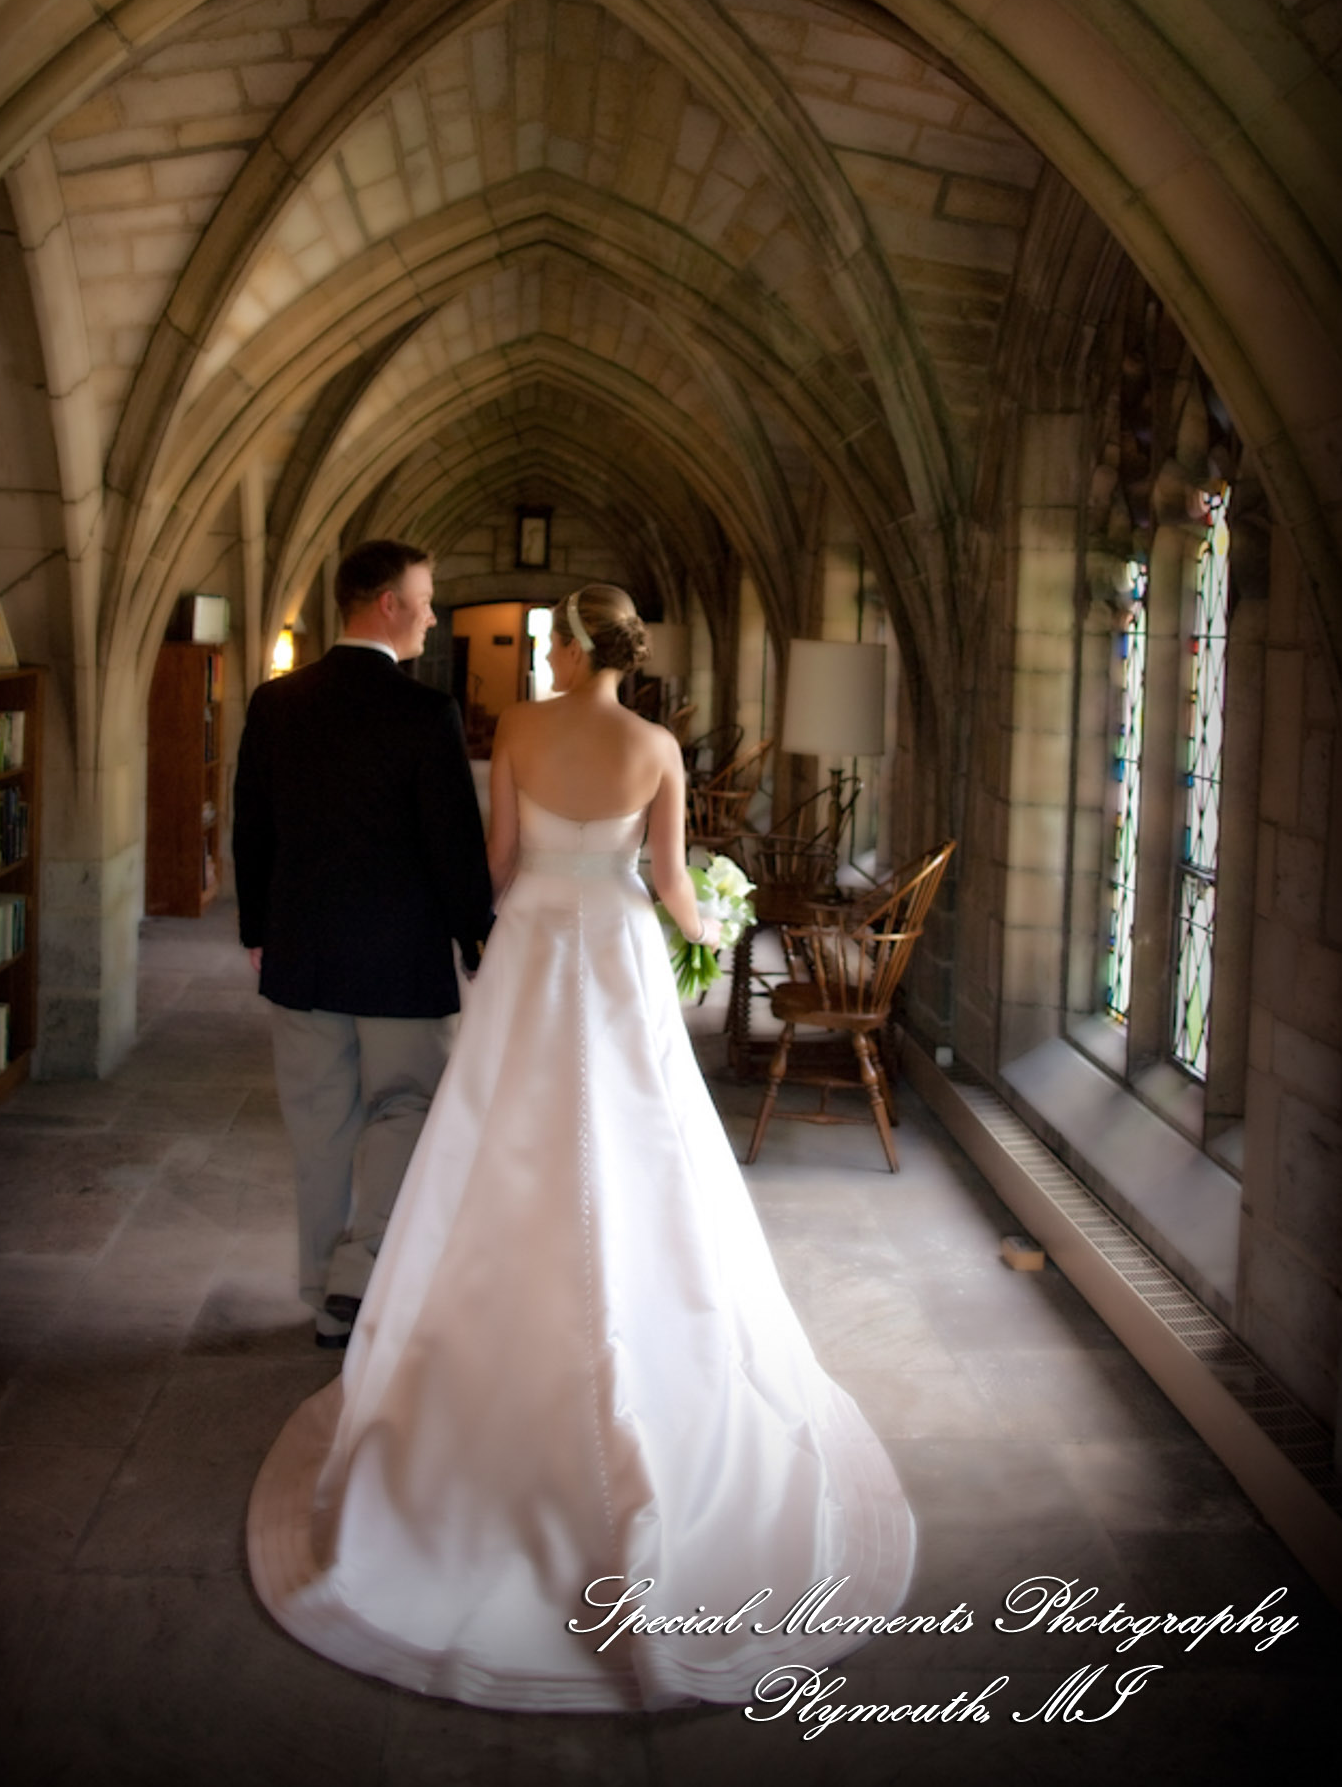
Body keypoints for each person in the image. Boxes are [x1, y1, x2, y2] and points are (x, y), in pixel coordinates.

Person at [246, 584, 915, 1708]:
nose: (547, 651)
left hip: (533, 956)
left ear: (565, 650)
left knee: (503, 1139)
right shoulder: (655, 745)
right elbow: (666, 884)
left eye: (551, 638)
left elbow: (500, 867)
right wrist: (718, 916)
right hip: (617, 954)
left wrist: (500, 909)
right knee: (643, 1145)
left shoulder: (516, 729)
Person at [232, 540, 492, 1350]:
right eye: (424, 597)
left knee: (319, 1127)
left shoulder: (277, 703)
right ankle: (356, 1278)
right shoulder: (425, 713)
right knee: (407, 1111)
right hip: (401, 958)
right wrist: (477, 934)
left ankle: (319, 1287)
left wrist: (256, 933)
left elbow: (252, 828)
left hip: (303, 951)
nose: (431, 613)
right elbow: (451, 841)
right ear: (386, 604)